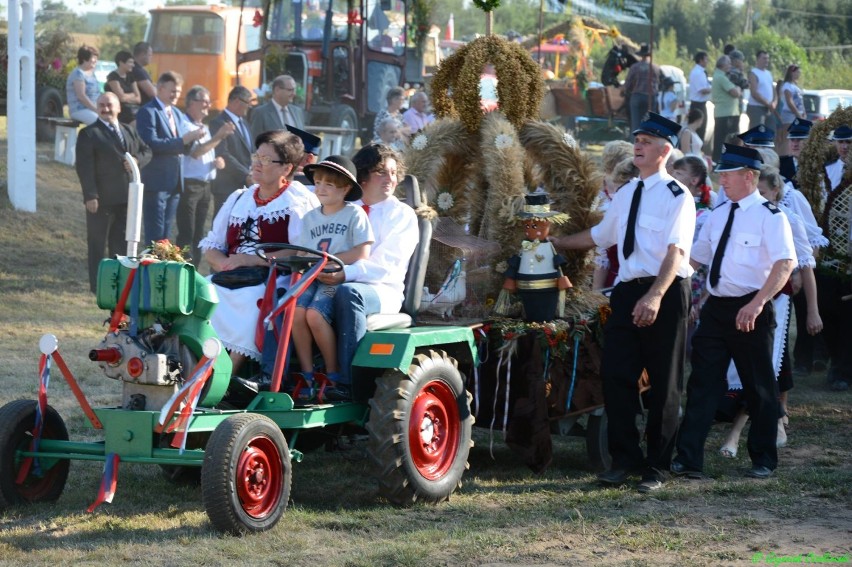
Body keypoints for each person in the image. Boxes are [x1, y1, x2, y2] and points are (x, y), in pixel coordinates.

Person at [550, 113, 696, 493]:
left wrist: (656, 296)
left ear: (664, 151)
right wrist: (555, 242)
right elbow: (602, 235)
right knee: (616, 376)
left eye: (647, 141)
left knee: (664, 383)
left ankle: (657, 466)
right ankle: (623, 459)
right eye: (637, 139)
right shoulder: (628, 191)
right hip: (629, 290)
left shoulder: (678, 197)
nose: (639, 145)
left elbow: (676, 251)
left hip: (664, 291)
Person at [672, 144, 795, 481]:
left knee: (758, 387)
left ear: (748, 176)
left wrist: (756, 305)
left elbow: (785, 263)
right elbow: (695, 259)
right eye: (721, 173)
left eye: (727, 174)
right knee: (702, 383)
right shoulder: (717, 214)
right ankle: (688, 459)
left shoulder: (772, 216)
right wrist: (662, 282)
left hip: (751, 307)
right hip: (716, 309)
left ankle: (764, 458)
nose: (721, 180)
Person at [716, 166, 821, 457]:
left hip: (775, 303)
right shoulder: (735, 214)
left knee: (766, 367)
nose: (757, 197)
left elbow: (804, 267)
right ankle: (774, 419)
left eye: (762, 193)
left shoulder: (787, 219)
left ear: (775, 192)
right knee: (742, 368)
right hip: (739, 302)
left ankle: (738, 434)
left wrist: (812, 311)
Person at [200, 130, 318, 372]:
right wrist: (226, 264)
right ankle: (191, 369)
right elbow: (211, 247)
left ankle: (223, 379)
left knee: (249, 304)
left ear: (286, 169)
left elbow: (303, 252)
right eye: (256, 156)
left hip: (274, 279)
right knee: (198, 294)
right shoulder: (238, 198)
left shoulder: (298, 201)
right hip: (230, 277)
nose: (256, 163)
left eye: (266, 160)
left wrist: (250, 259)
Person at [324, 144, 420, 400]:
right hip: (338, 280)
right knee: (290, 295)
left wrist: (345, 273)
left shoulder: (402, 214)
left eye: (393, 172)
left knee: (348, 293)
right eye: (381, 172)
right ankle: (282, 376)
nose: (390, 179)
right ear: (363, 175)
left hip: (383, 291)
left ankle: (348, 384)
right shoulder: (345, 208)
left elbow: (385, 266)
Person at [291, 156, 373, 400]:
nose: (320, 189)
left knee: (315, 314)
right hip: (313, 276)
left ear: (346, 188)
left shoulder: (354, 214)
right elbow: (302, 252)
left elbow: (361, 252)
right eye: (317, 182)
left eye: (329, 184)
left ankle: (332, 373)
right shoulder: (310, 218)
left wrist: (329, 262)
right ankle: (307, 375)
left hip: (339, 278)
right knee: (294, 311)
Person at [75, 92, 150, 293]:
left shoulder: (128, 130)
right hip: (101, 200)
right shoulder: (89, 133)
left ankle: (118, 283)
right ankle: (97, 285)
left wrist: (136, 161)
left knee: (120, 243)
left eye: (109, 105)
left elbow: (147, 151)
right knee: (97, 244)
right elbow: (84, 167)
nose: (105, 108)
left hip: (127, 199)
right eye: (101, 105)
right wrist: (90, 195)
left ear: (118, 108)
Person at [136, 72, 206, 244]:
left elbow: (182, 145)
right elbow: (151, 144)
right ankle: (151, 268)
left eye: (179, 91)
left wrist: (192, 138)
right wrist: (184, 140)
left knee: (166, 234)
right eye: (173, 91)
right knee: (155, 234)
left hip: (175, 183)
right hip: (157, 182)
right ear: (160, 89)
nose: (176, 95)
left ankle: (162, 269)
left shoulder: (176, 112)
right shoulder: (148, 111)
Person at [177, 85, 235, 267]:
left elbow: (205, 152)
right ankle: (182, 269)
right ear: (191, 103)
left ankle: (192, 269)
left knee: (199, 232)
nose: (208, 105)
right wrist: (219, 136)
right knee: (188, 231)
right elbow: (195, 153)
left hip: (205, 185)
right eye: (204, 101)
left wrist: (217, 161)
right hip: (190, 185)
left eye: (208, 101)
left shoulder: (203, 126)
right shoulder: (185, 125)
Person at [210, 86, 255, 215]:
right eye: (248, 103)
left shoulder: (244, 123)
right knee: (221, 226)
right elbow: (222, 153)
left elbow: (250, 151)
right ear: (236, 101)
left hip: (245, 186)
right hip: (227, 185)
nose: (249, 107)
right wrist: (245, 175)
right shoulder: (218, 123)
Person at [250, 75, 305, 140]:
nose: (294, 93)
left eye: (294, 90)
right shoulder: (260, 113)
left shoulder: (298, 111)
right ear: (277, 90)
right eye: (290, 90)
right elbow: (255, 141)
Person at [711, 55, 743, 163]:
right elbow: (735, 92)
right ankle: (725, 161)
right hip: (727, 113)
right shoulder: (721, 77)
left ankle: (719, 161)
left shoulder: (719, 76)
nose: (730, 65)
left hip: (725, 112)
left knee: (720, 139)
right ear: (723, 65)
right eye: (729, 63)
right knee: (729, 140)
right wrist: (738, 88)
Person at [623, 44, 660, 133]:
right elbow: (658, 83)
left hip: (637, 96)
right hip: (651, 97)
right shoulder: (656, 68)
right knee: (649, 123)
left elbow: (628, 84)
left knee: (635, 123)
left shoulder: (635, 67)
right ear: (650, 55)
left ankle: (635, 143)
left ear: (641, 55)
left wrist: (626, 91)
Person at [66, 45, 101, 125]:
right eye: (94, 58)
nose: (96, 60)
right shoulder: (78, 74)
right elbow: (81, 96)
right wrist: (96, 110)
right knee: (100, 123)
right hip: (80, 110)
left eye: (96, 58)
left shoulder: (91, 73)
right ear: (85, 59)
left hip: (93, 109)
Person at [775, 65, 806, 155]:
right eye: (797, 72)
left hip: (798, 115)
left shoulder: (795, 86)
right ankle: (782, 159)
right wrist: (798, 114)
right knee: (786, 139)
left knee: (796, 139)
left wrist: (803, 112)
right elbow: (789, 102)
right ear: (791, 72)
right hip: (789, 115)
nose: (799, 74)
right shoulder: (787, 86)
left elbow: (800, 101)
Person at [105, 50, 142, 125]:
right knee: (137, 125)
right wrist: (132, 94)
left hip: (134, 110)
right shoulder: (113, 77)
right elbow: (121, 98)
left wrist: (126, 96)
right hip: (120, 110)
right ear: (121, 63)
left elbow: (138, 99)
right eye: (130, 62)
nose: (133, 65)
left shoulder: (131, 77)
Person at [747, 50, 777, 129]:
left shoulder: (768, 73)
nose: (767, 60)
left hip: (769, 109)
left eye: (767, 58)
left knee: (771, 131)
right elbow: (754, 93)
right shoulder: (753, 73)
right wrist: (768, 103)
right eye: (764, 58)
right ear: (757, 59)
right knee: (757, 132)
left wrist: (774, 103)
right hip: (756, 108)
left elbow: (773, 90)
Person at [687, 51, 712, 142]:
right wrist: (714, 88)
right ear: (701, 60)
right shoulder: (698, 72)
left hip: (700, 104)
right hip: (698, 105)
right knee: (698, 129)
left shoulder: (700, 72)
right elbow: (702, 90)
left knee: (701, 129)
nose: (707, 62)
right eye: (706, 59)